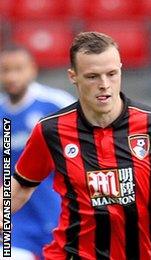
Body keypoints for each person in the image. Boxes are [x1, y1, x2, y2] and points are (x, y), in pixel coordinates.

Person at [9, 31, 151, 259]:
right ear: (74, 76)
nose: (104, 84)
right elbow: (21, 187)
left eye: (112, 74)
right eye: (92, 76)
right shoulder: (51, 130)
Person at [0, 45, 75, 259]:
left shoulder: (56, 105)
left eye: (18, 69)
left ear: (32, 69)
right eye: (5, 70)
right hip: (15, 221)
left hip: (57, 213)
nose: (12, 76)